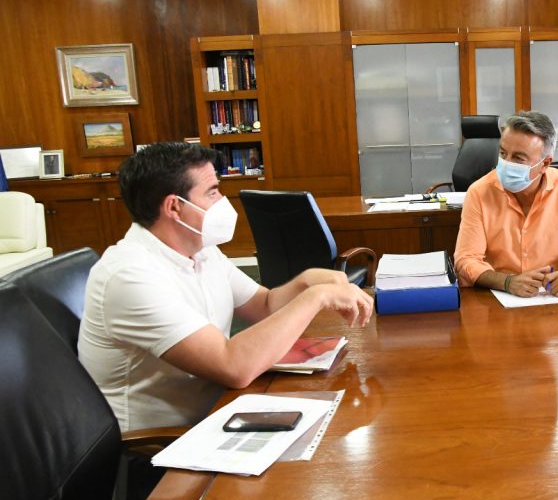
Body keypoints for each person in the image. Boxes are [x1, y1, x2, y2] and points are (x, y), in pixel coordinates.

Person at [79, 142, 373, 432]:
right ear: (174, 207)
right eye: (212, 192)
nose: (222, 200)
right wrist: (315, 297)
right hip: (167, 440)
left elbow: (265, 305)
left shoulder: (201, 249)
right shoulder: (130, 275)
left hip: (219, 407)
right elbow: (233, 367)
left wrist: (305, 281)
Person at [454, 111, 558, 297]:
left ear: (545, 164)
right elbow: (466, 260)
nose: (506, 163)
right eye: (503, 153)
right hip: (496, 298)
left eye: (518, 158)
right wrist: (507, 282)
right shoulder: (479, 192)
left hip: (552, 298)